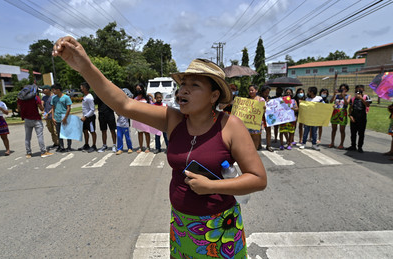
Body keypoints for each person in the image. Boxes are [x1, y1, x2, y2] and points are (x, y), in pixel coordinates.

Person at [53, 37, 266, 258]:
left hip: (221, 228)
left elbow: (258, 178)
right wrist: (85, 67)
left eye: (194, 86)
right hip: (182, 226)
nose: (183, 91)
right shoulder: (173, 119)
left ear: (214, 96)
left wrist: (212, 186)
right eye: (183, 84)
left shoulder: (230, 125)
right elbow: (123, 104)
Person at [17, 88, 53, 158]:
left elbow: (18, 109)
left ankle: (28, 153)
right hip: (36, 119)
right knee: (40, 136)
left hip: (27, 119)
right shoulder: (35, 97)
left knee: (27, 137)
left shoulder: (20, 99)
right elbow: (41, 109)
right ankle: (43, 152)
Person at [346, 85, 372, 153]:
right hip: (354, 117)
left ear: (363, 90)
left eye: (360, 90)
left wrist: (361, 98)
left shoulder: (366, 97)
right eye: (357, 90)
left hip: (362, 118)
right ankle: (353, 146)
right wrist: (350, 116)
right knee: (353, 133)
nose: (358, 91)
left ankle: (360, 147)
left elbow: (368, 105)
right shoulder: (353, 98)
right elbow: (350, 108)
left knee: (361, 133)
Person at [299, 86, 324, 150]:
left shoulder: (319, 98)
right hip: (308, 118)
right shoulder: (307, 99)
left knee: (314, 132)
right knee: (306, 131)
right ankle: (303, 143)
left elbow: (324, 106)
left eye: (308, 91)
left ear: (312, 92)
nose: (307, 92)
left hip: (315, 118)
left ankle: (314, 144)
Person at [51, 83, 73, 152]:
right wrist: (53, 117)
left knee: (67, 133)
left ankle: (69, 146)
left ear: (58, 90)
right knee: (59, 133)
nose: (53, 92)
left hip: (65, 117)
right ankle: (61, 146)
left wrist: (65, 117)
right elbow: (53, 108)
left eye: (54, 90)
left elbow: (68, 108)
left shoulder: (66, 97)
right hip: (57, 118)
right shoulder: (54, 98)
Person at [329, 83, 351, 149]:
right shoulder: (337, 96)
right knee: (334, 129)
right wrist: (334, 94)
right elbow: (331, 101)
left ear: (346, 90)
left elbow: (347, 103)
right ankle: (332, 142)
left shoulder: (348, 96)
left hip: (342, 113)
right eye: (341, 88)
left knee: (342, 129)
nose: (342, 90)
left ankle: (341, 144)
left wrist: (343, 96)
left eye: (343, 89)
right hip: (335, 112)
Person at [132, 83, 151, 153]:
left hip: (145, 118)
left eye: (139, 89)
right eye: (137, 89)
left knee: (146, 132)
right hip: (137, 118)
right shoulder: (134, 98)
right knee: (140, 133)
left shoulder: (146, 98)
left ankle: (148, 147)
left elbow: (151, 106)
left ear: (142, 89)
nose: (138, 90)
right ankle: (140, 147)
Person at [78, 82, 97, 153]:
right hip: (85, 117)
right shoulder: (85, 96)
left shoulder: (89, 97)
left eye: (82, 87)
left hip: (90, 117)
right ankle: (86, 144)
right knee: (85, 131)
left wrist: (85, 116)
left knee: (92, 131)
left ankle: (94, 146)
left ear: (85, 88)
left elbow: (92, 109)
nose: (81, 89)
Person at [115, 88, 134, 155]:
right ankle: (120, 149)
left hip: (125, 124)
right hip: (119, 123)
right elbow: (117, 113)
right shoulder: (118, 105)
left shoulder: (128, 105)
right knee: (119, 137)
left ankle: (130, 148)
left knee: (127, 137)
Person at [41, 85, 59, 149]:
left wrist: (48, 113)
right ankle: (55, 143)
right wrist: (42, 108)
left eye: (44, 89)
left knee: (55, 130)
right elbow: (42, 107)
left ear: (48, 89)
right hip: (47, 117)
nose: (43, 91)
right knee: (51, 130)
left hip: (54, 116)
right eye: (42, 90)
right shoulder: (43, 98)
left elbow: (54, 107)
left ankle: (59, 143)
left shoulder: (54, 97)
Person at [247, 84, 265, 150]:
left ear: (256, 90)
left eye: (252, 90)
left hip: (256, 122)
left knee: (256, 137)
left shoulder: (261, 99)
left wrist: (264, 108)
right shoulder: (246, 100)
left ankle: (255, 151)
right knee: (248, 138)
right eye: (249, 90)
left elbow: (264, 111)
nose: (251, 92)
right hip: (248, 122)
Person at [260, 85, 273, 152]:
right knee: (259, 131)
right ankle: (259, 144)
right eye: (266, 92)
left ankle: (269, 145)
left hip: (267, 117)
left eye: (268, 92)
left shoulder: (270, 98)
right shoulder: (259, 98)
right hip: (260, 117)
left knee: (268, 131)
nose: (267, 94)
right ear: (262, 92)